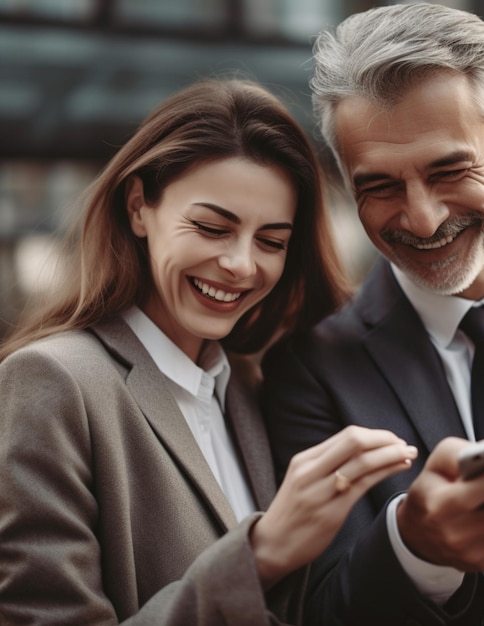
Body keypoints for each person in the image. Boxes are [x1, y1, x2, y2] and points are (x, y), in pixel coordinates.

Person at [0, 78, 419, 625]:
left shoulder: (252, 385)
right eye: (211, 227)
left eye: (271, 241)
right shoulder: (53, 382)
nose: (242, 265)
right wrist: (259, 554)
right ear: (138, 208)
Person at [261, 3, 484, 625]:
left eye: (449, 170)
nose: (423, 219)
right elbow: (323, 608)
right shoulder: (310, 370)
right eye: (378, 187)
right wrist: (416, 550)